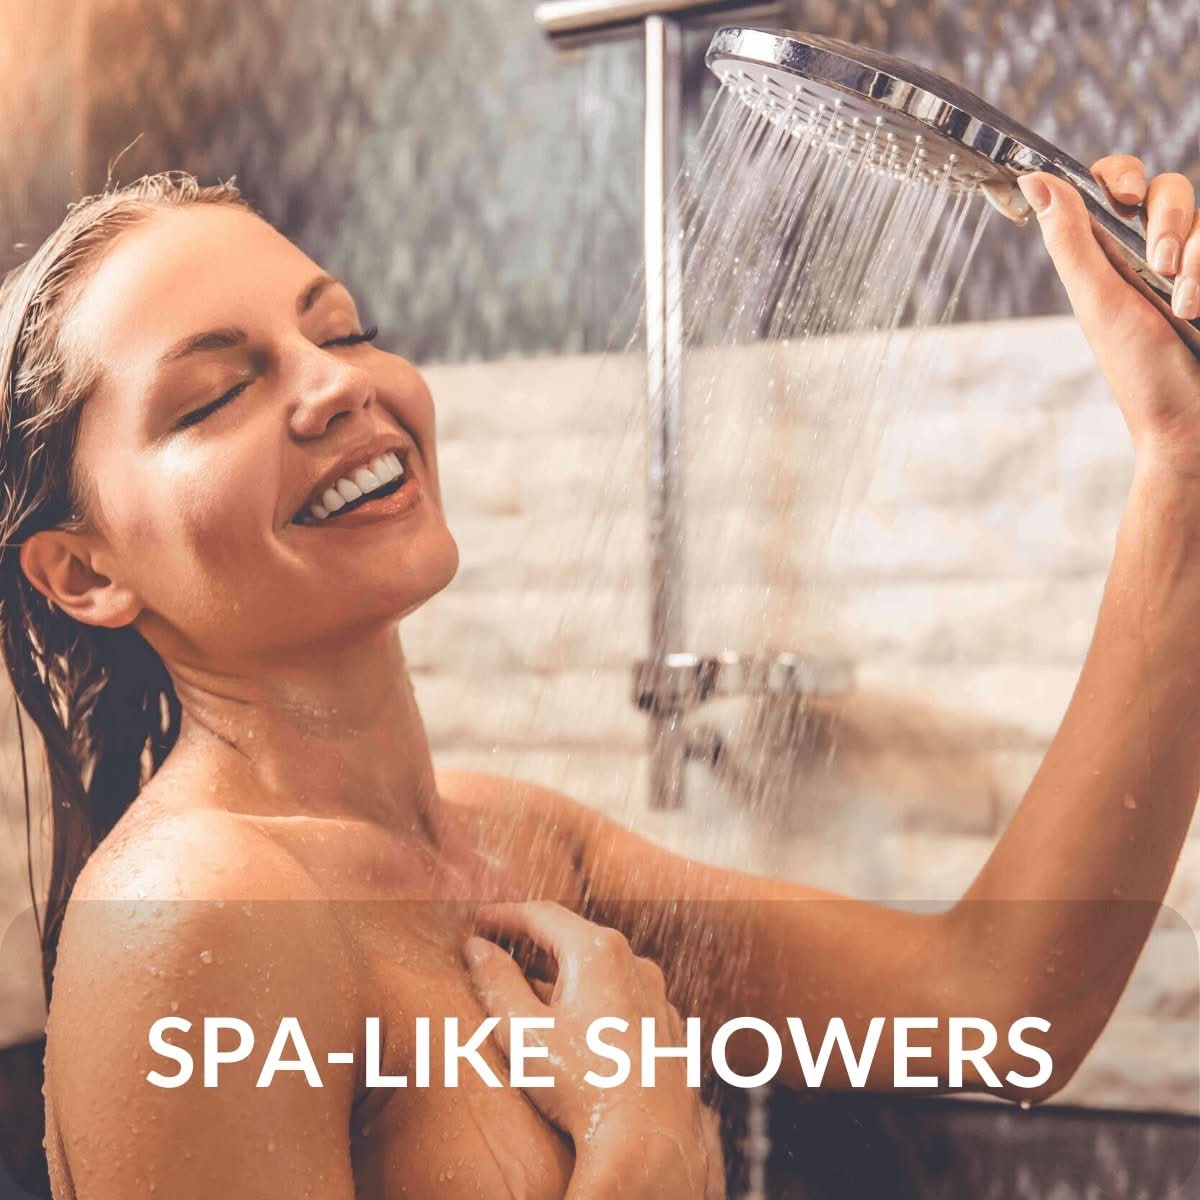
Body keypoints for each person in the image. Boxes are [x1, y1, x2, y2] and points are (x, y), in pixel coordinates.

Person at [1, 151, 1197, 1198]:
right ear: (83, 571)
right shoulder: (199, 910)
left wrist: (1178, 468)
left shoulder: (511, 842)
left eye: (344, 328)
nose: (335, 382)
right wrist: (643, 1160)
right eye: (218, 392)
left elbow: (994, 1012)